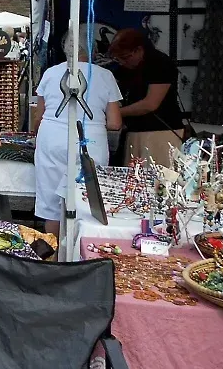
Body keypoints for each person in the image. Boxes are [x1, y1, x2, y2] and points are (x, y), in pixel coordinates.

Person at [31, 27, 123, 235]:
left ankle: (53, 260)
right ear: (91, 49)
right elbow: (115, 123)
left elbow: (39, 116)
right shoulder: (105, 75)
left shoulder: (50, 73)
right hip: (91, 140)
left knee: (52, 207)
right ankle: (82, 260)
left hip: (51, 138)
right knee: (89, 204)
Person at [107, 28, 184, 168]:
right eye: (118, 59)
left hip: (160, 133)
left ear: (139, 50)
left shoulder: (160, 63)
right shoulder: (124, 70)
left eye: (125, 57)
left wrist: (115, 113)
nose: (123, 62)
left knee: (159, 180)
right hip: (134, 132)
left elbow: (150, 104)